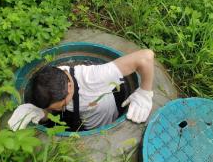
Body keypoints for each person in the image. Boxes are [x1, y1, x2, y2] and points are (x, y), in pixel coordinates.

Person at [8, 49, 154, 131]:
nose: (61, 109)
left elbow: (146, 56)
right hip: (82, 118)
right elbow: (52, 107)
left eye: (63, 105)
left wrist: (145, 92)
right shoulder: (49, 80)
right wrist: (42, 113)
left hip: (103, 120)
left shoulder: (94, 78)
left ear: (70, 87)